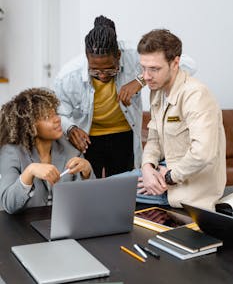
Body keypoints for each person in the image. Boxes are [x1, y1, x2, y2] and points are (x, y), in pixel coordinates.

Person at [54, 16, 197, 179]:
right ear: (87, 58)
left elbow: (189, 65)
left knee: (123, 189)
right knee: (88, 189)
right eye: (94, 71)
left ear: (119, 56)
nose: (102, 76)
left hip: (124, 137)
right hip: (88, 140)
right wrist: (70, 128)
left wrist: (141, 79)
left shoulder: (134, 55)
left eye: (110, 70)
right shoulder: (68, 76)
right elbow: (59, 112)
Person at [136, 29, 226, 210]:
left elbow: (203, 153)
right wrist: (147, 168)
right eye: (143, 68)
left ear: (175, 62)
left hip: (186, 187)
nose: (146, 76)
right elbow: (153, 139)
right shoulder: (157, 91)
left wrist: (169, 176)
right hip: (161, 173)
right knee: (104, 188)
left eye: (154, 69)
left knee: (105, 193)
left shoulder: (196, 95)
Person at [0, 88, 94, 214]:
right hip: (21, 227)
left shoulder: (69, 147)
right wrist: (29, 172)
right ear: (30, 125)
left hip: (62, 222)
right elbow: (8, 204)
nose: (57, 119)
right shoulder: (11, 152)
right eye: (47, 117)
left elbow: (90, 200)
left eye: (55, 113)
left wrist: (87, 174)